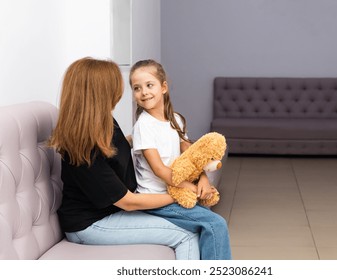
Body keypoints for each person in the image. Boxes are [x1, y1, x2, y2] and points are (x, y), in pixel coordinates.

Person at [48, 57, 200, 260]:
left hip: (111, 212)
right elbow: (128, 202)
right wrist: (182, 194)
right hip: (91, 224)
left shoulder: (102, 122)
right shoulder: (84, 148)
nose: (120, 91)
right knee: (187, 235)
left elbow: (116, 148)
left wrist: (151, 140)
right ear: (101, 92)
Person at [130, 59, 232, 260]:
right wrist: (191, 188)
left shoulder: (175, 120)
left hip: (179, 191)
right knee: (215, 224)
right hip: (158, 199)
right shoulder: (144, 126)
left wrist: (203, 179)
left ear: (164, 87)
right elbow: (159, 169)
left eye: (150, 85)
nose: (144, 92)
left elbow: (192, 157)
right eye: (137, 88)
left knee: (209, 219)